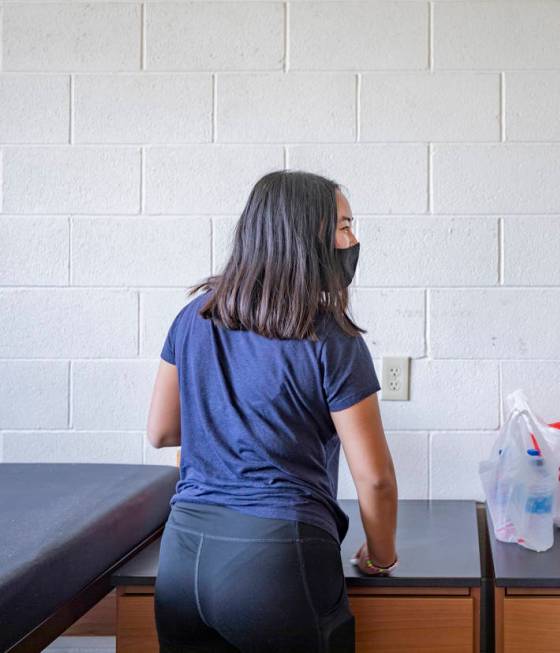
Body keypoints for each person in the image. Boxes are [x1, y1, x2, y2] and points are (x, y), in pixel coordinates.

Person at [145, 170, 399, 652]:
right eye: (344, 226)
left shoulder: (194, 317)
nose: (353, 239)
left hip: (183, 557)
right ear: (304, 237)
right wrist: (381, 556)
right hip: (279, 560)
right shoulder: (331, 336)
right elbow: (376, 478)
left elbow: (161, 431)